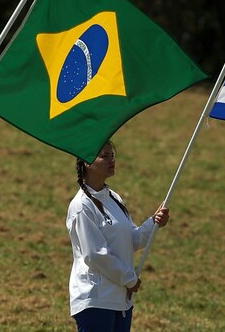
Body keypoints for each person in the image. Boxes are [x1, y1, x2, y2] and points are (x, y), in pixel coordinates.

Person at [66, 140, 170, 332]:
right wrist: (130, 279)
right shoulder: (82, 206)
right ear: (87, 162)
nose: (111, 160)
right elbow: (95, 255)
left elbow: (132, 239)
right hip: (96, 300)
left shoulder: (113, 197)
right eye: (104, 156)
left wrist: (153, 223)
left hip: (121, 301)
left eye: (112, 156)